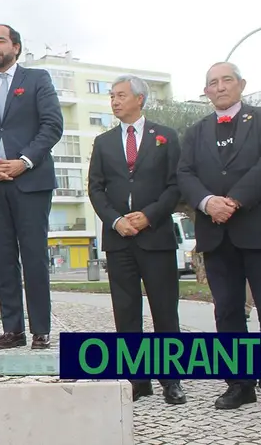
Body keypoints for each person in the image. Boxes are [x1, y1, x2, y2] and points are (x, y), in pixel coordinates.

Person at [177, 61, 261, 415]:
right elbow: (184, 173)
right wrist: (208, 202)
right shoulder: (195, 132)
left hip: (258, 228)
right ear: (206, 92)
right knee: (226, 311)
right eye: (213, 82)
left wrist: (235, 199)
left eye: (227, 80)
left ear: (241, 84)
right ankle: (238, 384)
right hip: (215, 233)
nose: (220, 86)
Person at [0, 24, 63, 350]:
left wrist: (24, 161)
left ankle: (40, 330)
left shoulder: (37, 80)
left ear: (15, 47)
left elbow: (52, 125)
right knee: (2, 259)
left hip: (30, 183)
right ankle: (13, 329)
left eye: (0, 41)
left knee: (33, 257)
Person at [87, 75, 185, 404]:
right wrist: (115, 220)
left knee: (164, 310)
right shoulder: (103, 142)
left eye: (120, 95)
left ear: (139, 99)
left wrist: (149, 215)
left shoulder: (165, 137)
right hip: (119, 241)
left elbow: (175, 185)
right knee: (126, 312)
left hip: (155, 236)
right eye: (111, 96)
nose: (114, 101)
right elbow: (96, 188)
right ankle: (136, 379)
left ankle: (171, 380)